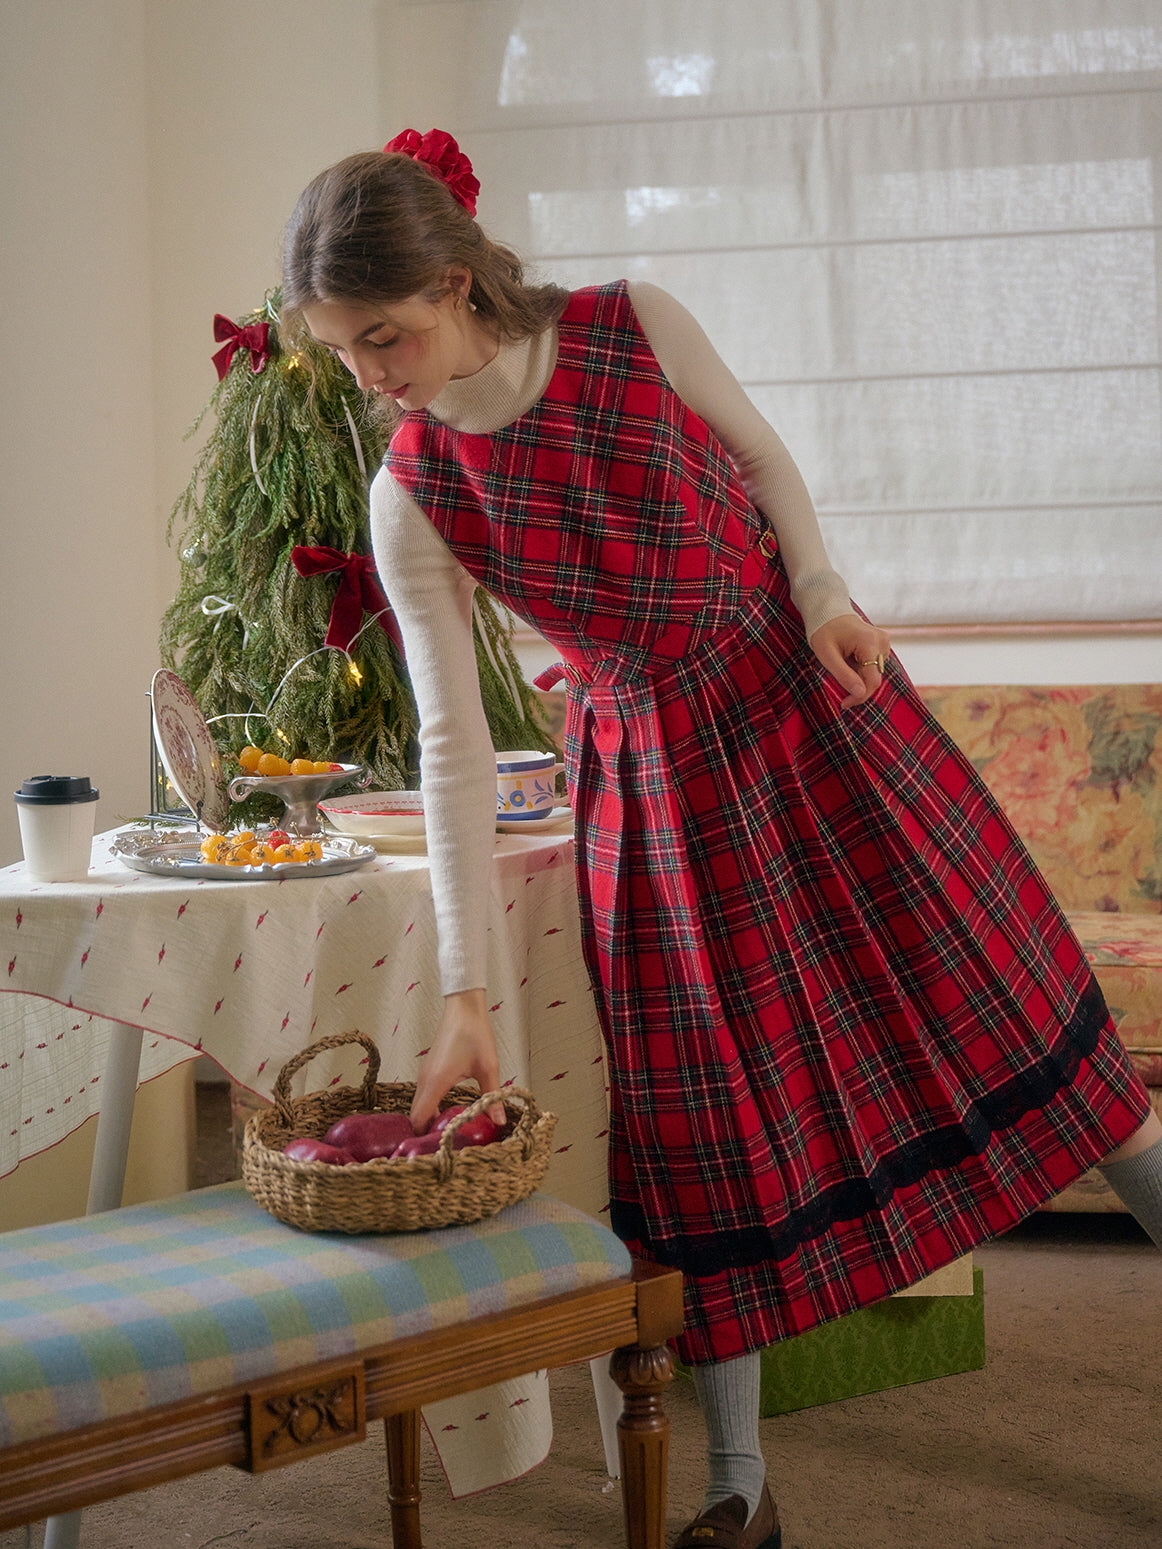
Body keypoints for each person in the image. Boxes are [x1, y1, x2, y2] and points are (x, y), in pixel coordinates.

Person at [282, 129, 1162, 1549]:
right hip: (658, 795)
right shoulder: (413, 492)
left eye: (383, 337)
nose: (373, 375)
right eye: (346, 353)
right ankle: (738, 1487)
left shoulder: (633, 325)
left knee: (1040, 1034)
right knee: (711, 1136)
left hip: (820, 712)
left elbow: (760, 461)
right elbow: (448, 747)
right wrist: (460, 985)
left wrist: (820, 590)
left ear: (453, 285)